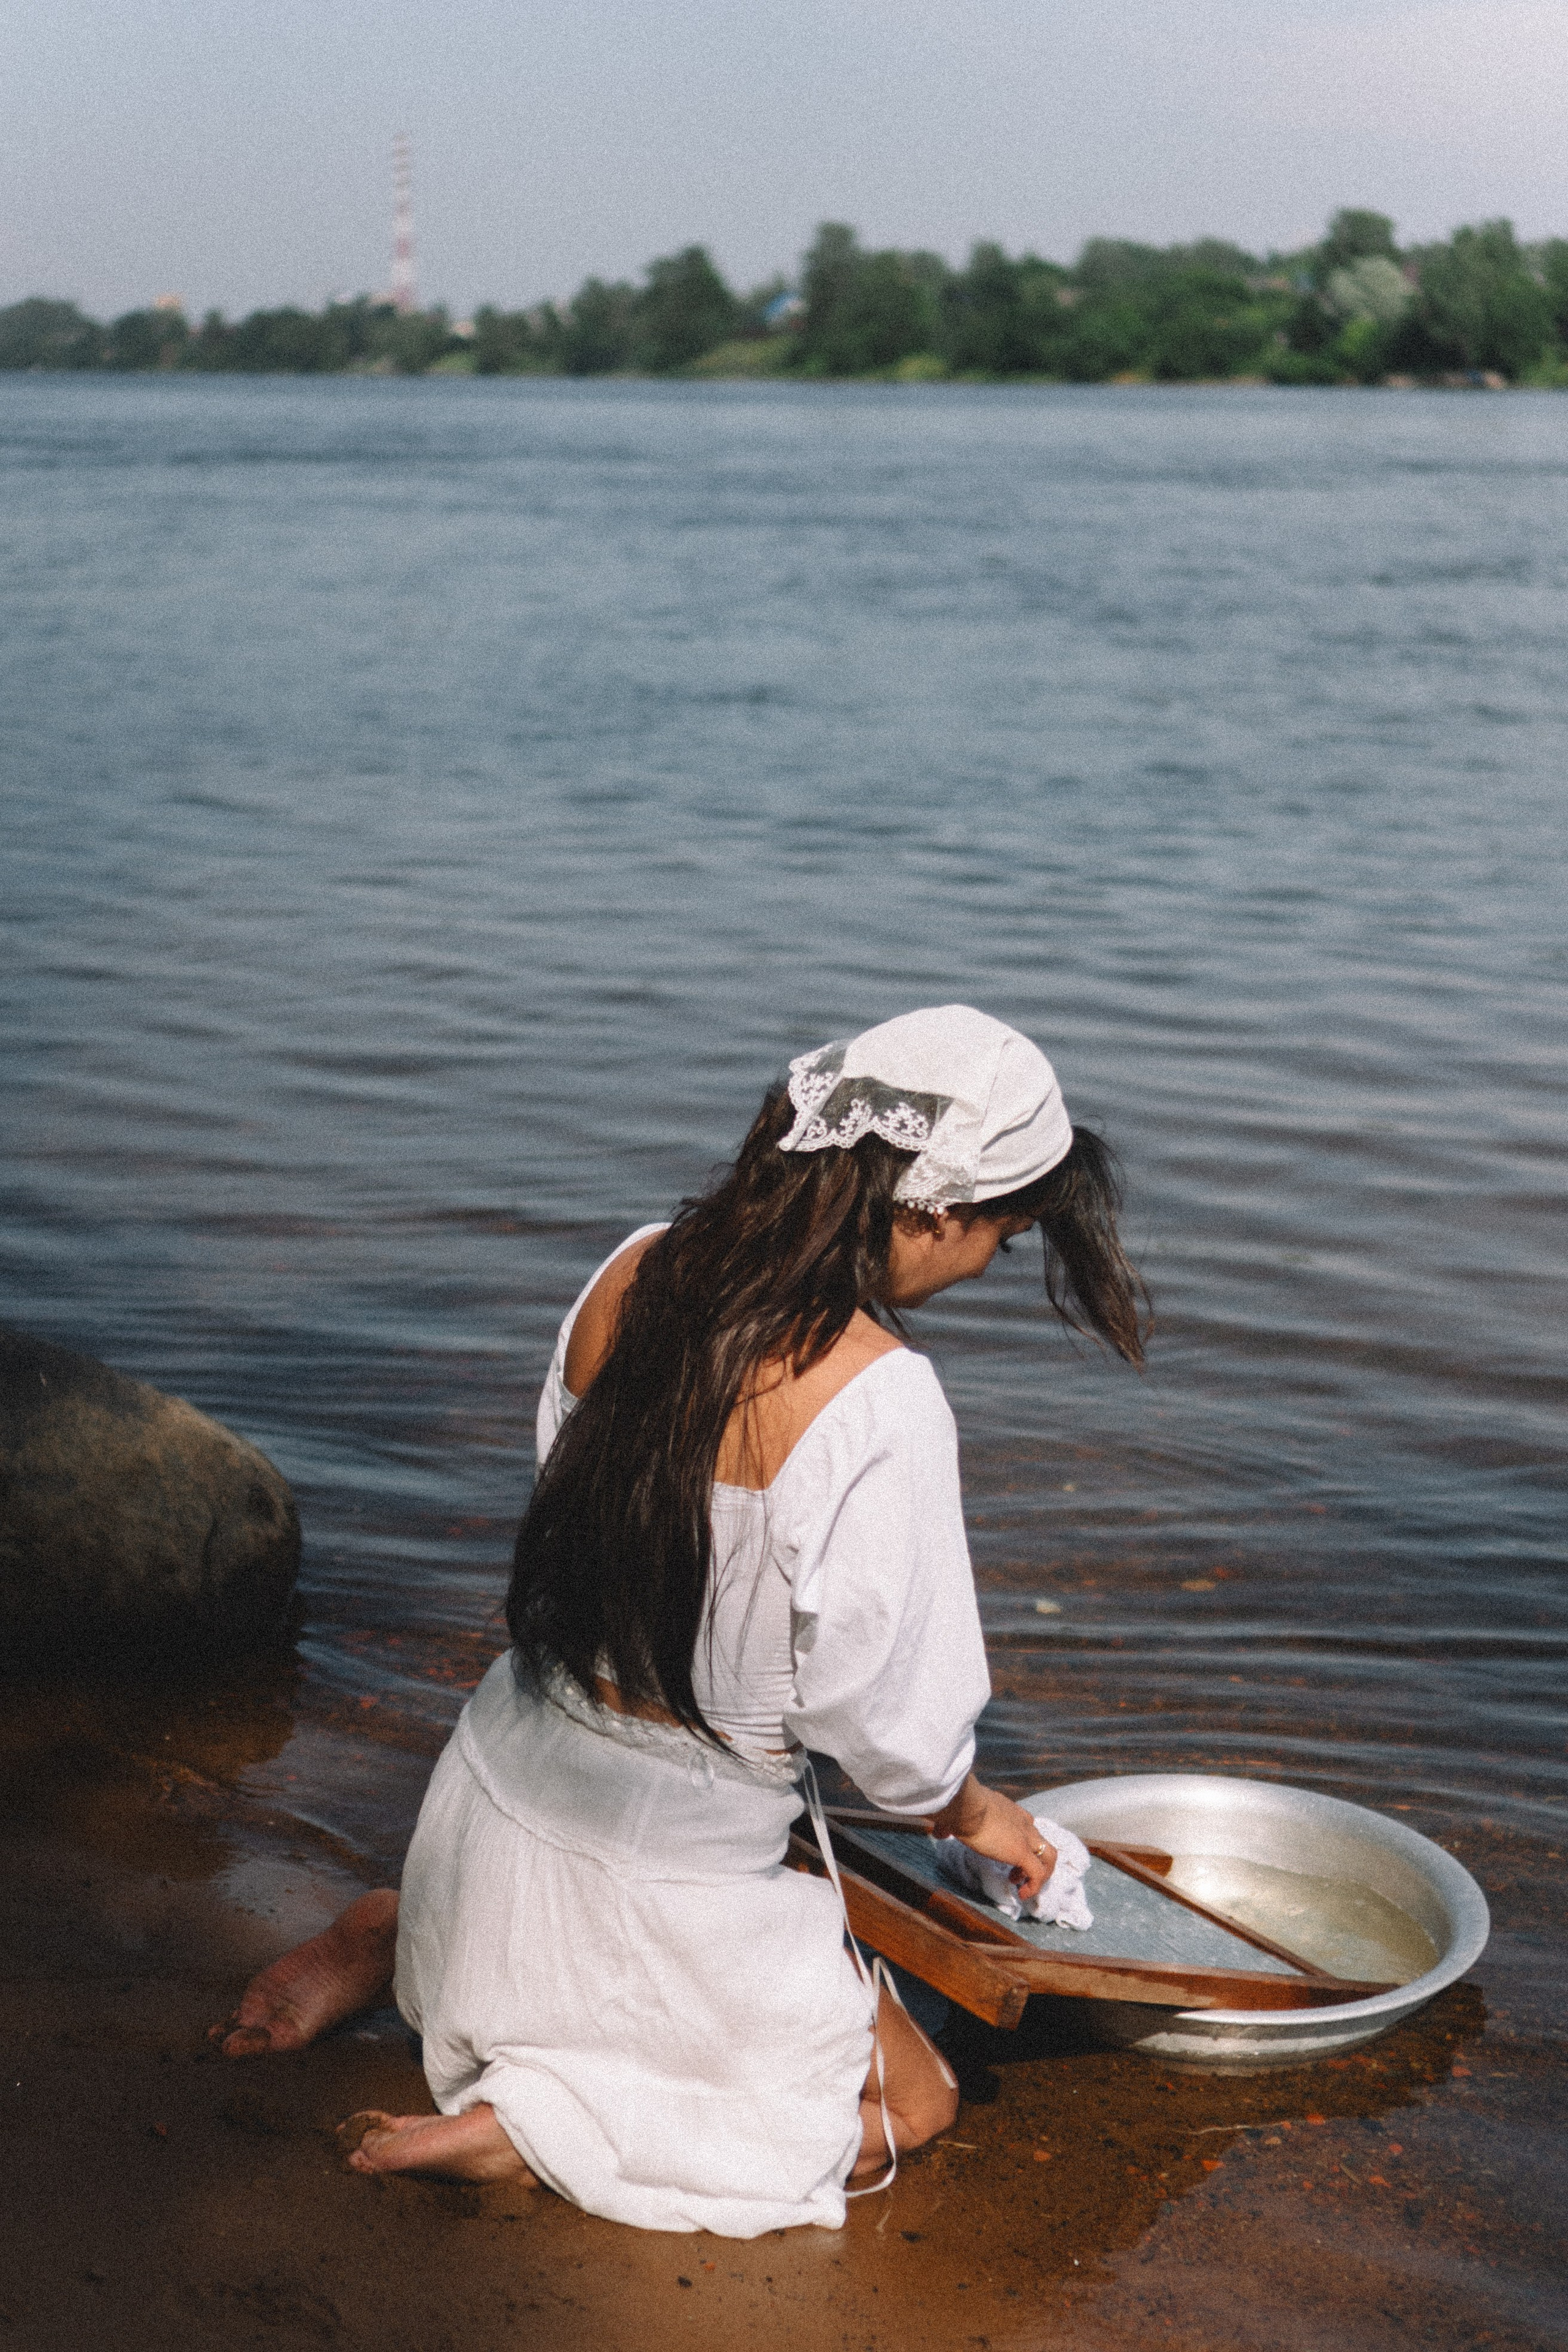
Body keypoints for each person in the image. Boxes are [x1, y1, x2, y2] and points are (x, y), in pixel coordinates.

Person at [212, 1005, 1145, 2237]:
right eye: (1004, 1238)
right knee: (912, 2105)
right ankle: (536, 2130)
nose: (985, 1269)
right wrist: (977, 1813)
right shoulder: (881, 1400)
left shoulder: (638, 1264)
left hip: (495, 1785)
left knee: (657, 1876)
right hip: (657, 1863)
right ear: (930, 1210)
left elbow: (577, 1514)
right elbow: (886, 1728)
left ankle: (402, 1931)